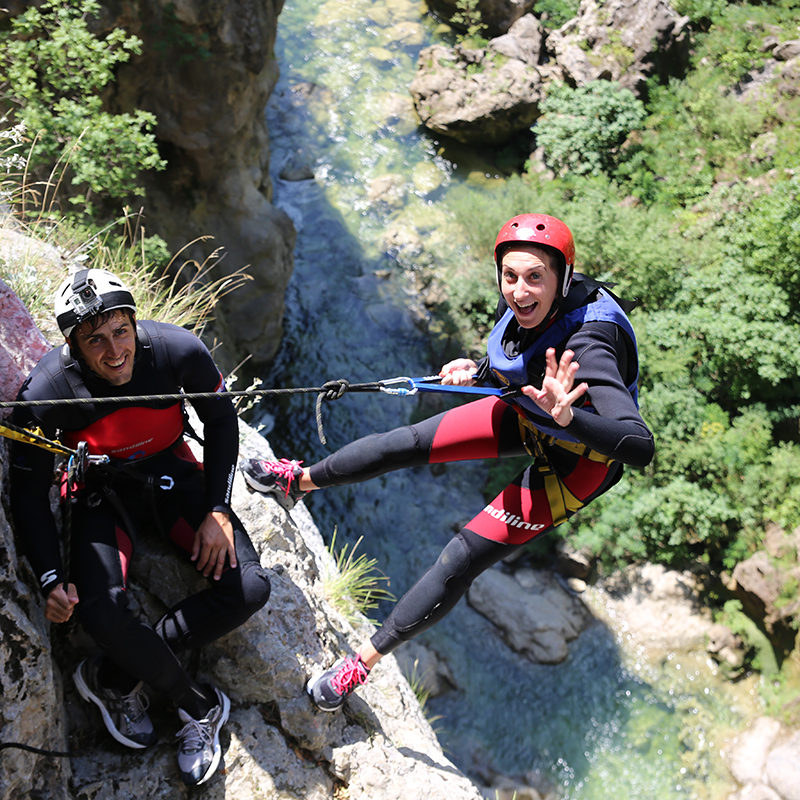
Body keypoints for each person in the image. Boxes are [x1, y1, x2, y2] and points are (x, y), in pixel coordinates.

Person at [242, 213, 654, 713]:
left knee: (460, 558)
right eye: (509, 276)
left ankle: (361, 664)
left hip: (577, 463)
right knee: (408, 441)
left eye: (534, 278)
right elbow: (521, 353)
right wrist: (477, 370)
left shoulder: (589, 345)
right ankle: (298, 482)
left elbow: (637, 444)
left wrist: (567, 420)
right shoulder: (536, 309)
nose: (519, 292)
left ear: (563, 278)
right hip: (534, 412)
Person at [9, 268, 271, 786]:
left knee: (248, 587)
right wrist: (47, 577)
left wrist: (218, 509)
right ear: (74, 344)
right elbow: (26, 491)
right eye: (95, 339)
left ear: (134, 322)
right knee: (101, 611)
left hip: (171, 469)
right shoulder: (45, 392)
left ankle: (115, 674)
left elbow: (220, 422)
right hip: (99, 492)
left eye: (121, 331)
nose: (113, 352)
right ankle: (197, 705)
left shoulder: (179, 351)